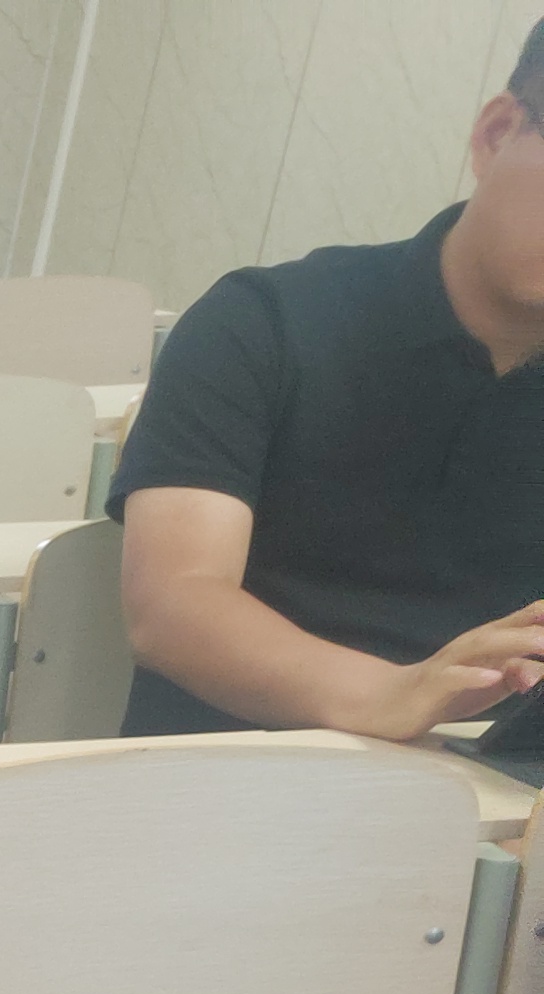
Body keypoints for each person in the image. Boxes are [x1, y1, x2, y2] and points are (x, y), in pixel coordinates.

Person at [112, 19, 544, 739]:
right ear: (498, 133)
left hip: (504, 792)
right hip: (238, 772)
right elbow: (173, 602)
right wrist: (389, 695)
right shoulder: (263, 322)